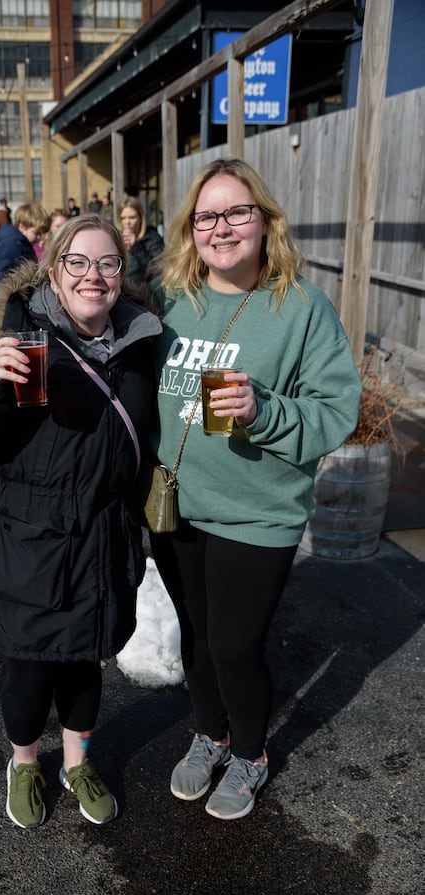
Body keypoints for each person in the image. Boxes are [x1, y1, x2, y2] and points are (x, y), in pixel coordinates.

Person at [149, 158, 361, 821]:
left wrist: (264, 411)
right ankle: (208, 732)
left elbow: (336, 410)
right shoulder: (169, 298)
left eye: (238, 211)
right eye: (207, 215)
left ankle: (249, 752)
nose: (222, 227)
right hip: (173, 502)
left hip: (256, 511)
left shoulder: (300, 308)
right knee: (194, 634)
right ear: (190, 229)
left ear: (265, 222)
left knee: (233, 644)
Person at [0, 215, 161, 830]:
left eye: (108, 263)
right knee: (30, 672)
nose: (94, 275)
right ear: (54, 272)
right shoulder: (17, 336)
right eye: (78, 263)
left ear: (123, 275)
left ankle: (78, 763)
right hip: (27, 541)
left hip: (102, 536)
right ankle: (24, 763)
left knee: (86, 667)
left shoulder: (143, 344)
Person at [0, 201, 49, 290]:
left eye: (41, 234)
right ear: (22, 227)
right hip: (8, 299)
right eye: (36, 233)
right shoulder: (12, 245)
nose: (39, 238)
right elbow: (4, 276)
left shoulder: (24, 244)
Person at [119, 196, 164, 288]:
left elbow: (157, 271)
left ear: (140, 218)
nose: (127, 222)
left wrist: (136, 246)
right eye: (123, 218)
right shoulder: (116, 237)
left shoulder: (152, 238)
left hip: (143, 294)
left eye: (132, 217)